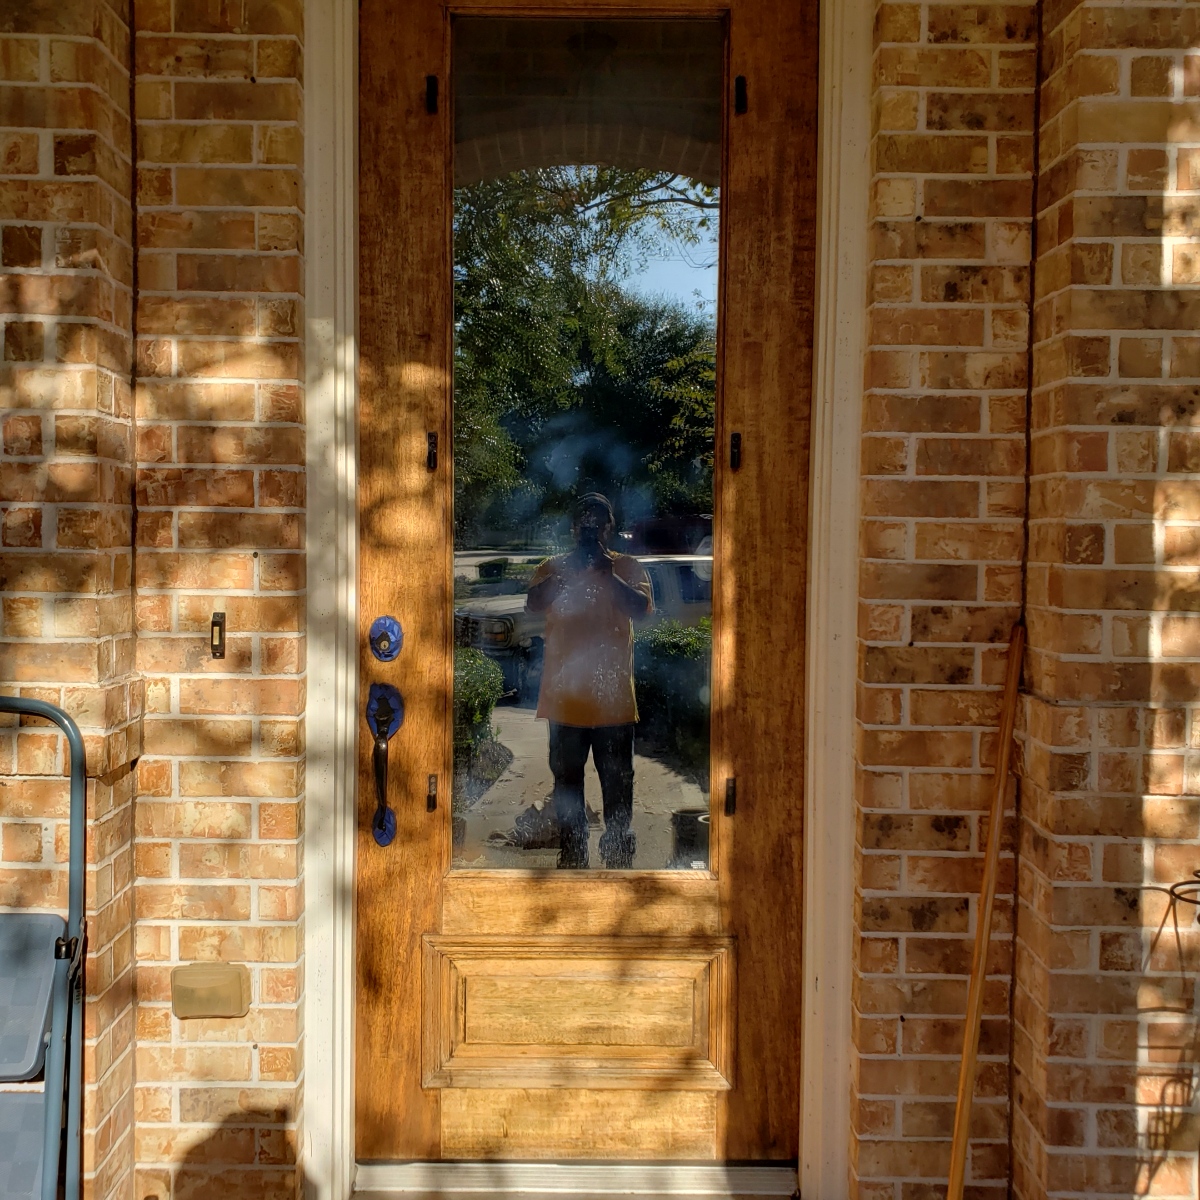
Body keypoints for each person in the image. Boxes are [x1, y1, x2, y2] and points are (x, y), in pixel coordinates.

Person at [526, 493, 653, 868]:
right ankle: (573, 856)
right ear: (572, 528)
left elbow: (641, 610)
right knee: (566, 787)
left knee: (618, 789)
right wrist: (568, 573)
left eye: (599, 522)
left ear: (610, 527)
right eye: (584, 522)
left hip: (613, 705)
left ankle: (617, 860)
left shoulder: (626, 567)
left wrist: (604, 571)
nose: (591, 528)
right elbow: (533, 603)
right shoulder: (554, 566)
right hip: (565, 704)